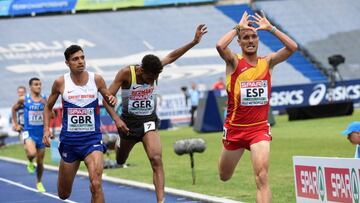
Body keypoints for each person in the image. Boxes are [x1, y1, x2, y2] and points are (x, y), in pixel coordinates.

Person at [102, 24, 207, 203]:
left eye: (155, 78)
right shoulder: (127, 73)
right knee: (120, 159)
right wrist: (116, 119)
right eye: (150, 78)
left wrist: (194, 42)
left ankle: (161, 201)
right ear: (142, 70)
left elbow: (172, 56)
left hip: (148, 120)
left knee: (156, 158)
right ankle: (118, 142)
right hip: (128, 123)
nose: (152, 81)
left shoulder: (156, 68)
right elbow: (106, 97)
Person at [216, 11, 297, 202]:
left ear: (258, 39)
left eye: (254, 36)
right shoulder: (234, 61)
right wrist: (237, 27)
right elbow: (220, 45)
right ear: (239, 42)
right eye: (246, 37)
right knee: (224, 176)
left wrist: (272, 29)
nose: (250, 40)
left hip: (258, 130)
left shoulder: (267, 62)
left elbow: (293, 47)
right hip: (235, 131)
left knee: (262, 177)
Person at [42, 45, 116, 202]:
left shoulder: (96, 79)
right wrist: (46, 130)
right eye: (75, 59)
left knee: (96, 184)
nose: (80, 61)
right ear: (67, 63)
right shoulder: (60, 82)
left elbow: (108, 97)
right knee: (63, 194)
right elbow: (48, 107)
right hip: (70, 143)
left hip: (92, 140)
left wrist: (111, 99)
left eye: (82, 58)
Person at [12, 78, 47, 192]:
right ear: (30, 87)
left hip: (40, 133)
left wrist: (48, 130)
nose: (39, 86)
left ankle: (39, 182)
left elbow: (50, 114)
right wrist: (15, 123)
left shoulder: (44, 99)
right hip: (29, 132)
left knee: (41, 163)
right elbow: (14, 108)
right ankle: (30, 161)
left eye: (40, 84)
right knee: (32, 153)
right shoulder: (24, 99)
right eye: (36, 84)